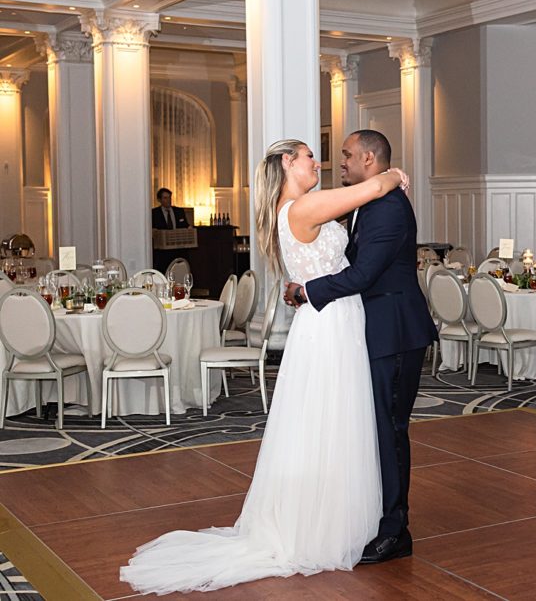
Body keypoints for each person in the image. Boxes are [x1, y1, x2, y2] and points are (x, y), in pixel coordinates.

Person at [120, 139, 408, 594]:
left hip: (329, 322)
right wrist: (393, 176)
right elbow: (370, 191)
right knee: (332, 420)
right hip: (331, 325)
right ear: (288, 164)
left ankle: (333, 516)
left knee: (328, 422)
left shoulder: (288, 209)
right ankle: (326, 526)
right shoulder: (302, 207)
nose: (319, 162)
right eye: (310, 156)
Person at [287, 129, 437, 564]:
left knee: (390, 431)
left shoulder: (388, 208)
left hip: (395, 332)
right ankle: (379, 518)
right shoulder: (369, 202)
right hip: (376, 331)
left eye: (348, 156)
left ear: (370, 159)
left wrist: (306, 293)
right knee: (376, 429)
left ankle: (396, 531)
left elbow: (362, 276)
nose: (342, 163)